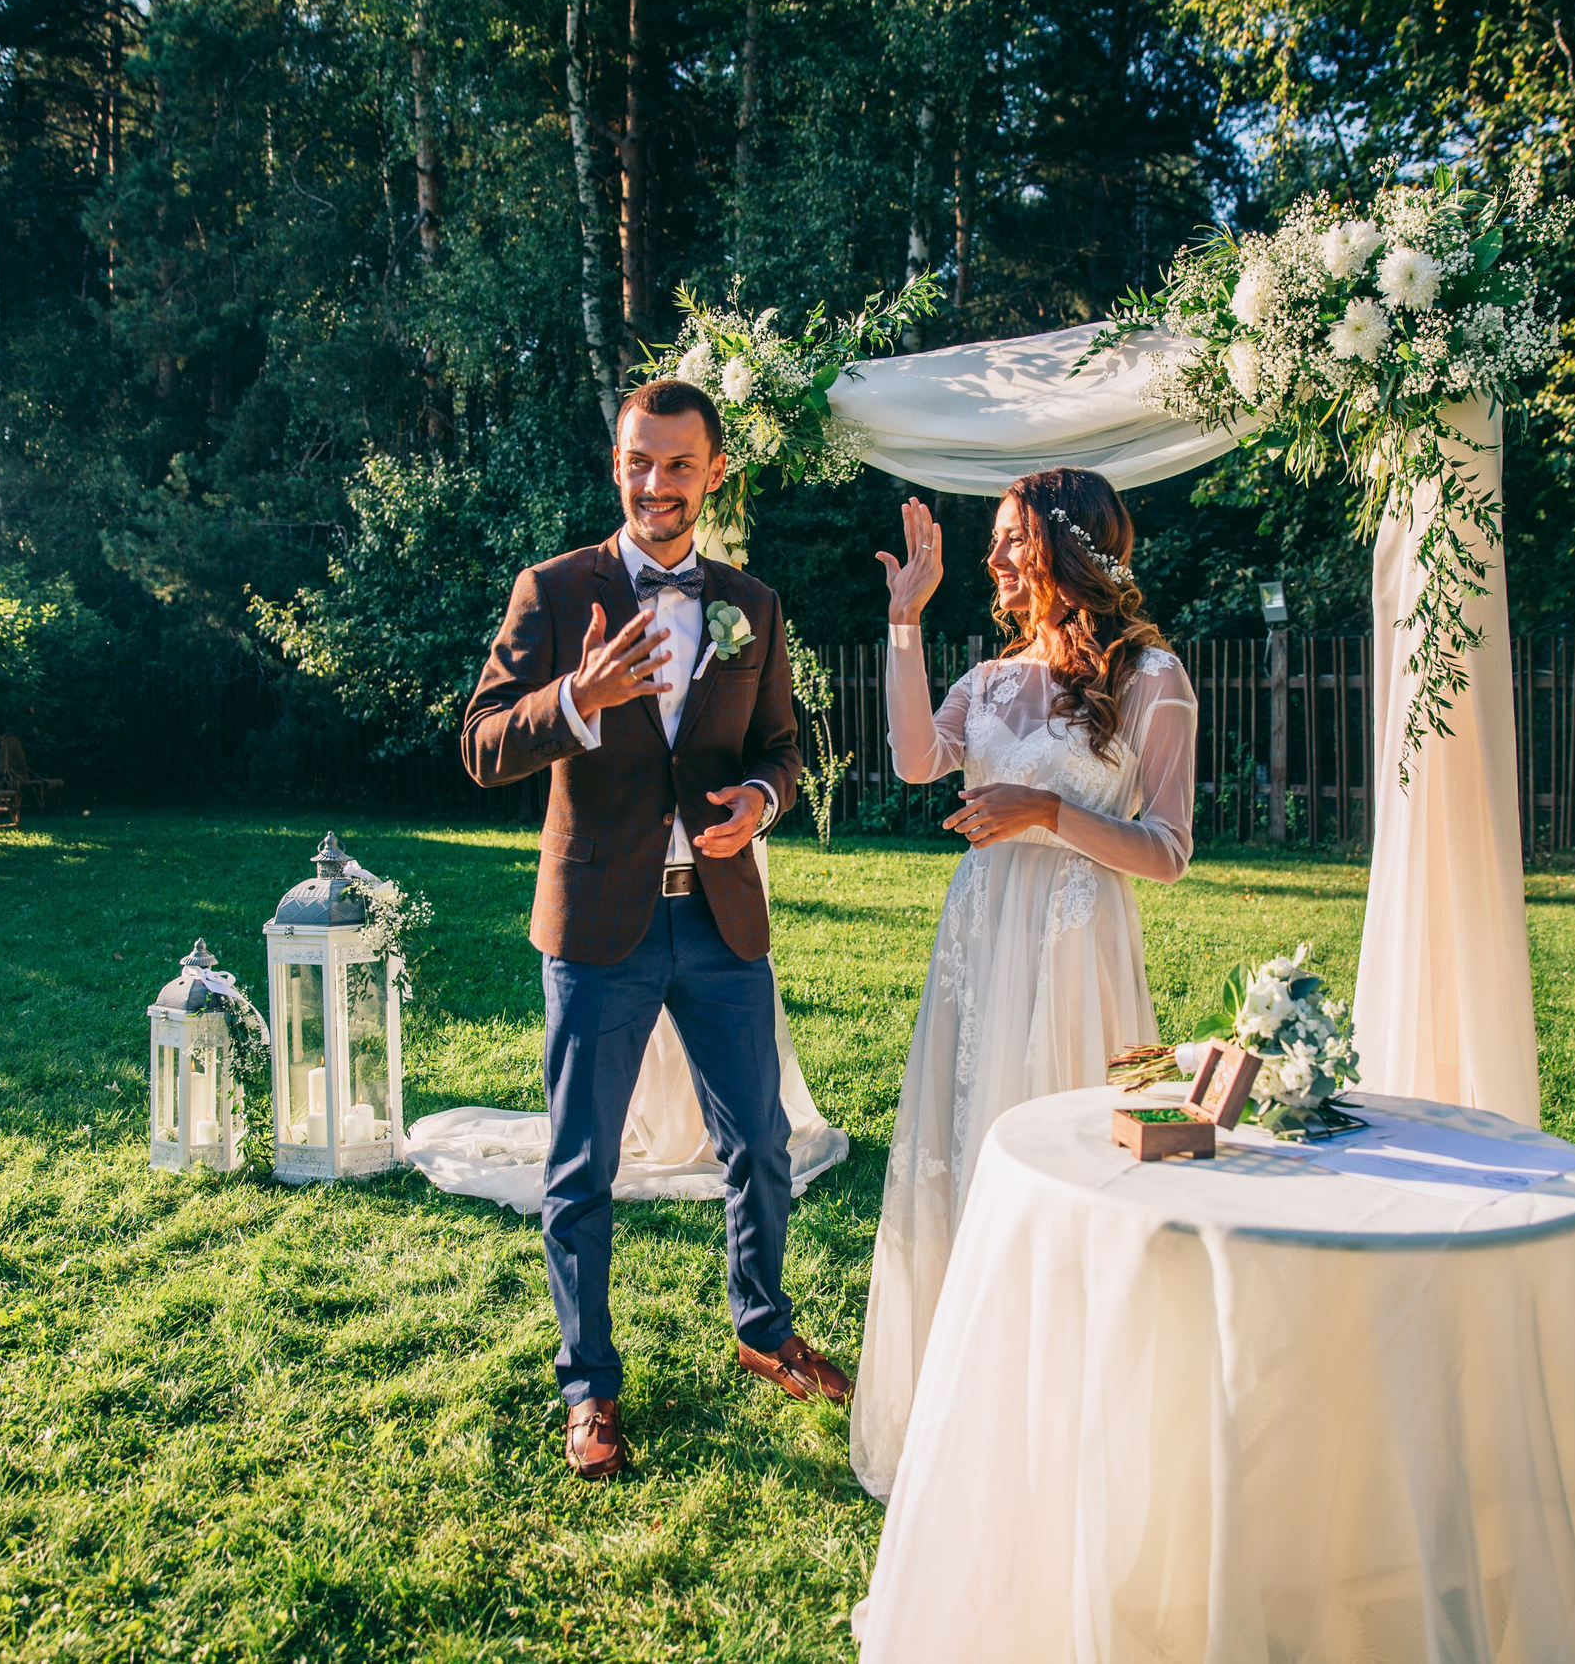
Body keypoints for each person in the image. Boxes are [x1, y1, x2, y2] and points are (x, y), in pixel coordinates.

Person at [462, 377, 855, 1483]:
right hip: (599, 928)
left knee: (762, 1147)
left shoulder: (751, 605)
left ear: (713, 472)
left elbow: (781, 745)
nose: (655, 483)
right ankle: (588, 1389)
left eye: (678, 464)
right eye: (639, 460)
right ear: (617, 462)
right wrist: (577, 700)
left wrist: (763, 804)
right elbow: (482, 743)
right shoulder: (554, 588)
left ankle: (763, 1327)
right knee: (582, 1166)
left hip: (723, 924)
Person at [848, 466, 1199, 1500]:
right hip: (980, 945)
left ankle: (1075, 1422)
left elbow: (1168, 849)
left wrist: (1044, 814)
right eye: (995, 541)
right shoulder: (991, 681)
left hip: (1075, 953)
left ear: (1065, 547)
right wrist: (903, 622)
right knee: (967, 1151)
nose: (995, 559)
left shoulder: (1149, 675)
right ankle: (972, 1415)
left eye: (1011, 539)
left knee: (1072, 1165)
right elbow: (917, 760)